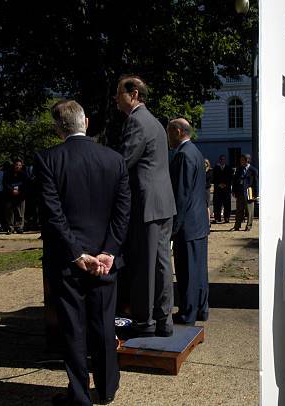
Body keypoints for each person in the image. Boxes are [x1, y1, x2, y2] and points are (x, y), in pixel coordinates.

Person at [36, 100, 130, 406]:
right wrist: (109, 252)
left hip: (67, 262)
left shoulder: (48, 159)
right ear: (86, 121)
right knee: (104, 326)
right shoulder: (114, 159)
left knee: (73, 329)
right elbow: (123, 211)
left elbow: (53, 215)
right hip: (104, 261)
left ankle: (79, 395)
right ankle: (106, 389)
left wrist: (77, 255)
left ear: (57, 128)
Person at [114, 75, 176, 337]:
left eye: (119, 93)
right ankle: (163, 320)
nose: (116, 99)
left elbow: (122, 162)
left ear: (134, 94)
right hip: (163, 204)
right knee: (162, 264)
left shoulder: (136, 122)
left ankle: (144, 321)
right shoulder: (155, 123)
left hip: (146, 204)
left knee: (144, 265)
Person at [167, 118, 210, 325]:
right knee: (199, 270)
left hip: (188, 225)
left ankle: (187, 313)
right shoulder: (195, 152)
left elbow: (181, 195)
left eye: (169, 132)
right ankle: (201, 309)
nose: (167, 137)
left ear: (177, 131)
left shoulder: (183, 155)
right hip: (198, 223)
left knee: (187, 272)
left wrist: (174, 227)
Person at [231, 154, 258, 231]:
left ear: (247, 160)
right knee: (239, 210)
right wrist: (233, 191)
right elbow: (235, 181)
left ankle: (248, 226)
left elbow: (256, 183)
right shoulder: (239, 169)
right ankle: (237, 226)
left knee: (250, 211)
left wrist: (256, 194)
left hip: (249, 192)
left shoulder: (253, 170)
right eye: (240, 160)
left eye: (243, 160)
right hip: (239, 192)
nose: (241, 161)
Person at [3, 157, 28, 234]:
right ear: (13, 165)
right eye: (16, 164)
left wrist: (19, 191)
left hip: (20, 195)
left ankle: (19, 227)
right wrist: (12, 190)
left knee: (20, 212)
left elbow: (26, 185)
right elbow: (5, 183)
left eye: (19, 165)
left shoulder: (24, 174)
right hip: (9, 195)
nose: (17, 166)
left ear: (21, 166)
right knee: (10, 213)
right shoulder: (7, 173)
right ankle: (10, 228)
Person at [212, 154, 232, 223]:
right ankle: (217, 218)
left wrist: (225, 184)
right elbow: (213, 178)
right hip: (218, 189)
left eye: (223, 159)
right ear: (219, 160)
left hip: (226, 189)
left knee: (227, 204)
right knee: (217, 204)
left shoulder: (229, 168)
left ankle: (227, 217)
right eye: (221, 159)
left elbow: (230, 178)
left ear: (225, 160)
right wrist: (219, 184)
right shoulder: (216, 168)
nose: (222, 161)